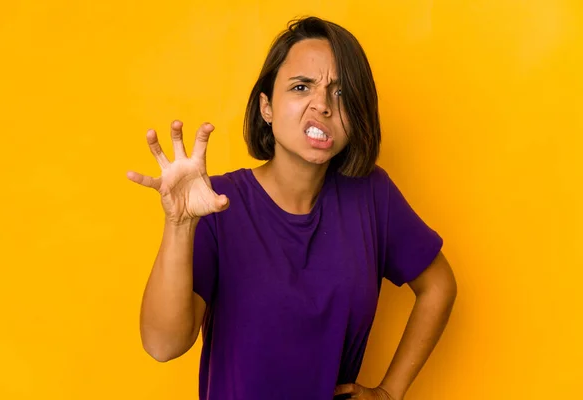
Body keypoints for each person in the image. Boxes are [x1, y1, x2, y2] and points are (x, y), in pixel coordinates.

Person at [127, 16, 457, 400]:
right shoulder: (215, 203)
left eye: (340, 92)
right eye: (302, 87)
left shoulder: (371, 195)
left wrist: (389, 392)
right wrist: (180, 224)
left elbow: (438, 284)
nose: (322, 105)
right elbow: (163, 345)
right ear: (267, 106)